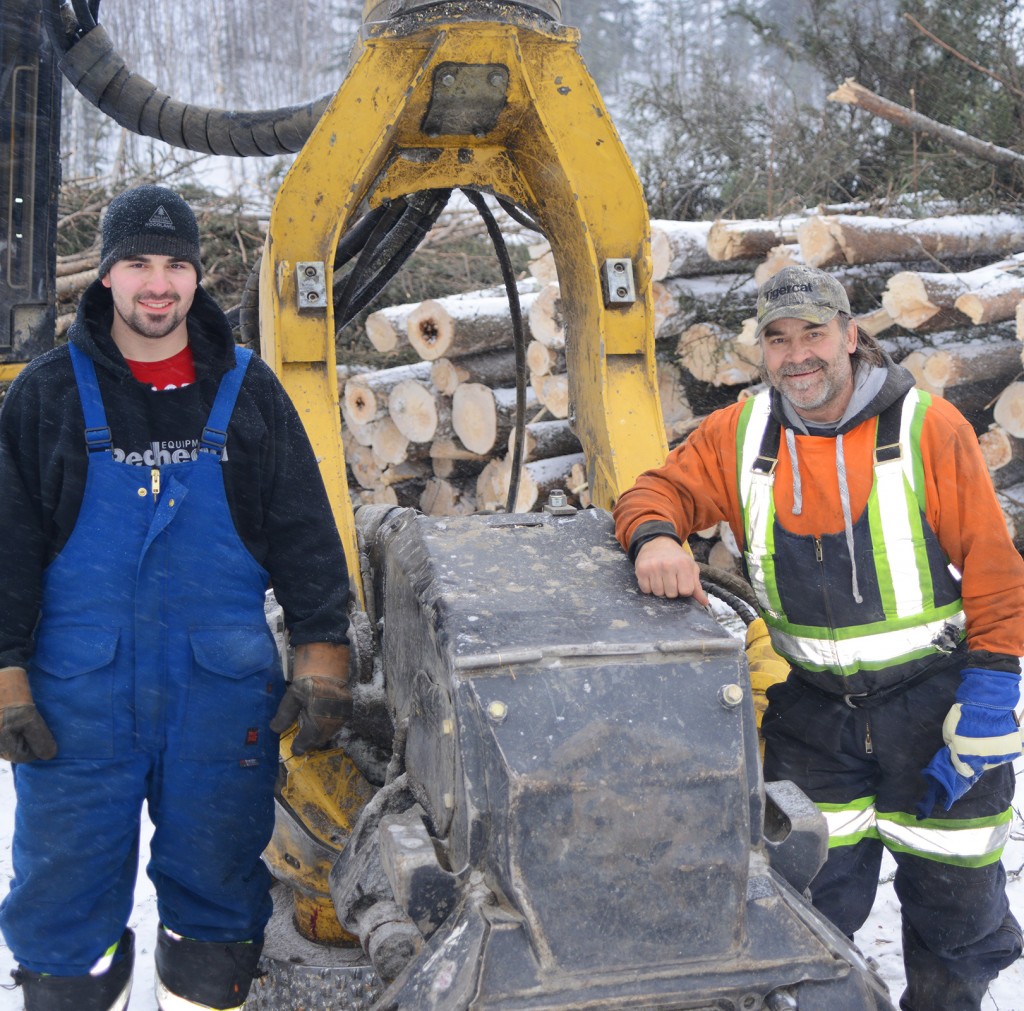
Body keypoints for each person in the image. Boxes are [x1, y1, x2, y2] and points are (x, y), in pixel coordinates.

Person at [613, 264, 1024, 1011]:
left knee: (957, 921)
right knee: (799, 917)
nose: (797, 354)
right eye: (778, 339)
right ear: (762, 352)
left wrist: (993, 694)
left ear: (850, 336)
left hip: (930, 712)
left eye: (814, 334)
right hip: (813, 718)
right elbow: (655, 490)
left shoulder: (926, 427)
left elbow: (997, 570)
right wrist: (652, 538)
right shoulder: (738, 435)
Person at [0, 185, 354, 1011]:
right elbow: (7, 548)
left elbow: (305, 533)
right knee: (63, 906)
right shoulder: (48, 395)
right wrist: (6, 671)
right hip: (77, 702)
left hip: (220, 701)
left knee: (220, 904)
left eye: (175, 265)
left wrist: (323, 655)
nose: (156, 284)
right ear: (107, 277)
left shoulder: (249, 390)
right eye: (136, 264)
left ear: (196, 278)